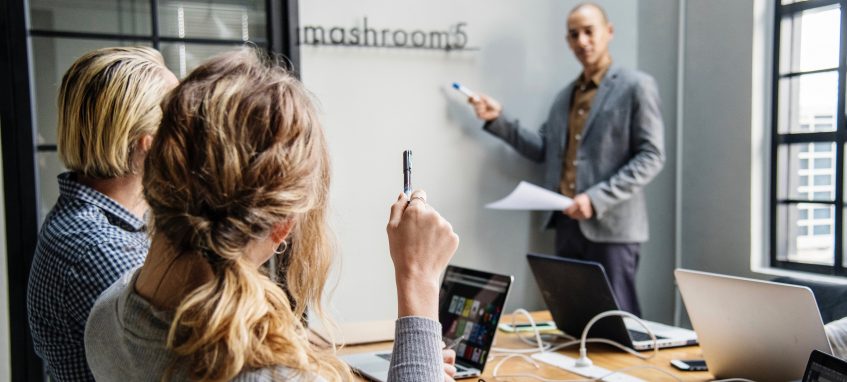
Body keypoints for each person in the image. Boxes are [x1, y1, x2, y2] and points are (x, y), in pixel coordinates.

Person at [85, 47, 460, 381]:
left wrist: (417, 361)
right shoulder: (263, 371)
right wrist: (417, 276)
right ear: (283, 227)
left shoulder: (106, 317)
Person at [467, 2, 664, 315]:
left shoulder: (636, 87)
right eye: (574, 34)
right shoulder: (564, 98)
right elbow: (545, 149)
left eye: (589, 31)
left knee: (617, 320)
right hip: (566, 225)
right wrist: (499, 119)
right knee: (574, 316)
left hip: (611, 226)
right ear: (568, 41)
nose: (582, 40)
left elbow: (651, 155)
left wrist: (596, 198)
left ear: (609, 32)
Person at [26, 47, 177, 381]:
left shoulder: (105, 220)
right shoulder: (99, 248)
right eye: (180, 121)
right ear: (148, 144)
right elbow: (180, 367)